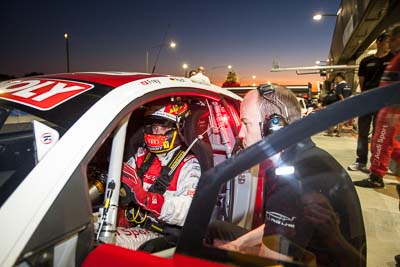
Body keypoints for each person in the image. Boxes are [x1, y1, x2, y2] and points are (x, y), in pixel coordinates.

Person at [208, 84, 366, 266]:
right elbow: (279, 225)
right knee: (218, 229)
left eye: (246, 123)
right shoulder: (305, 155)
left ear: (274, 126)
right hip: (313, 254)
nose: (241, 134)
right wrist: (238, 245)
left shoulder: (290, 183)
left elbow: (272, 263)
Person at [118, 99, 201, 251]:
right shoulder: (141, 155)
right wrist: (120, 209)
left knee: (109, 241)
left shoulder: (189, 164)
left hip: (159, 233)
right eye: (153, 127)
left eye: (162, 127)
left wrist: (147, 199)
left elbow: (188, 210)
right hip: (134, 223)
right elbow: (122, 183)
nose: (155, 132)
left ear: (179, 128)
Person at [354, 24, 400, 188]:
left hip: (392, 110)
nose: (391, 43)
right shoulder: (394, 59)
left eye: (393, 39)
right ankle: (369, 166)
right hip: (384, 106)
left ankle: (376, 176)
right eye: (390, 39)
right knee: (387, 143)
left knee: (381, 142)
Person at [348, 32, 393, 173]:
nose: (389, 45)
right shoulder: (366, 61)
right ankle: (361, 161)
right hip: (368, 100)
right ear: (379, 42)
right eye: (387, 42)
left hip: (385, 102)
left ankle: (375, 164)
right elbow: (362, 81)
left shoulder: (393, 59)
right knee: (363, 132)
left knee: (379, 135)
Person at [327, 72, 352, 137]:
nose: (336, 79)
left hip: (339, 104)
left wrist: (343, 101)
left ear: (340, 78)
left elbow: (340, 95)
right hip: (346, 104)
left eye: (336, 78)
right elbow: (350, 95)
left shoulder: (339, 86)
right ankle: (338, 133)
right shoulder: (348, 86)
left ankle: (330, 133)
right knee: (341, 119)